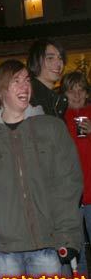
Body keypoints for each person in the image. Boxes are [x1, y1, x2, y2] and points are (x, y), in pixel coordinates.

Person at [0, 59, 83, 279]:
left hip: (47, 245)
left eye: (27, 80)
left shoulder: (51, 128)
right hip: (2, 250)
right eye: (16, 81)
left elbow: (68, 184)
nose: (24, 86)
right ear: (0, 91)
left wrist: (67, 237)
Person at [61, 72, 91, 237]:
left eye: (81, 90)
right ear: (64, 94)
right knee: (75, 248)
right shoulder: (59, 118)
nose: (77, 95)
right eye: (72, 91)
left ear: (87, 93)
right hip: (71, 195)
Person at [27, 38, 68, 118]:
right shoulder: (28, 97)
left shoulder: (54, 99)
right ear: (36, 61)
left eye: (60, 58)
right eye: (50, 58)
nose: (58, 63)